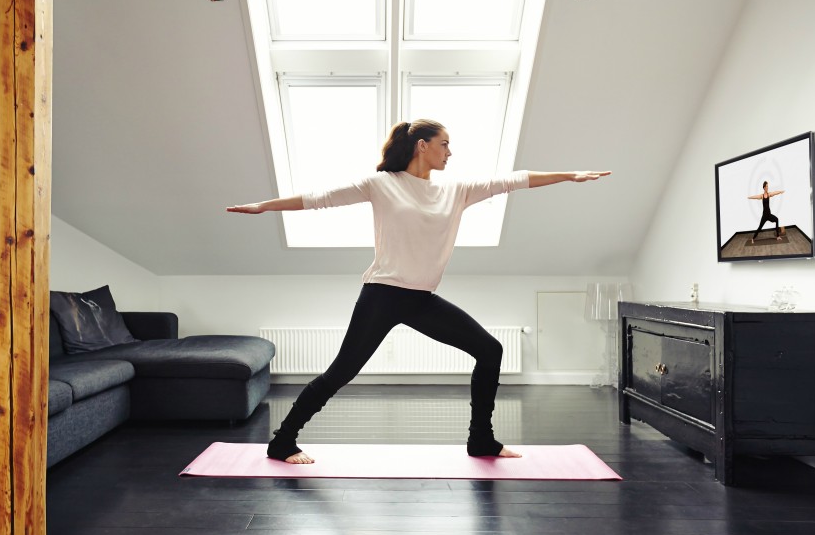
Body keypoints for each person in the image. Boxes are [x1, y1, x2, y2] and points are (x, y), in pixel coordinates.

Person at [227, 119, 611, 464]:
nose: (450, 152)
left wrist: (567, 175)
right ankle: (282, 442)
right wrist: (263, 206)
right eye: (444, 144)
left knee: (490, 349)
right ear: (422, 145)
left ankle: (481, 441)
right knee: (341, 373)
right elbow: (317, 199)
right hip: (382, 294)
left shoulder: (456, 191)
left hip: (421, 299)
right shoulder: (381, 184)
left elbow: (513, 179)